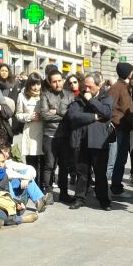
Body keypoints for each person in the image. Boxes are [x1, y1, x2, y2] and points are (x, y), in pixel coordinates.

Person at [66, 73, 113, 210]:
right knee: (82, 173)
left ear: (98, 86)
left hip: (99, 142)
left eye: (89, 86)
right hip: (81, 141)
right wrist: (93, 117)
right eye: (85, 86)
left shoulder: (106, 97)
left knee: (100, 174)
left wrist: (91, 101)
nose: (86, 89)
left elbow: (107, 112)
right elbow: (73, 116)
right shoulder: (79, 98)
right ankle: (80, 198)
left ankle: (103, 199)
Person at [39, 68, 75, 203]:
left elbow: (72, 115)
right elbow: (45, 115)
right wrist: (63, 115)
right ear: (49, 82)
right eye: (54, 82)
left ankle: (64, 193)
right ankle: (48, 193)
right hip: (50, 135)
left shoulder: (70, 95)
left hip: (65, 136)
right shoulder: (45, 95)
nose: (57, 84)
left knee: (64, 166)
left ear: (63, 80)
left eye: (59, 81)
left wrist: (57, 113)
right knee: (49, 165)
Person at [107, 62, 133, 198]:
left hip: (125, 128)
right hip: (119, 129)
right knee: (117, 159)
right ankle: (115, 187)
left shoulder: (125, 86)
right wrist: (115, 121)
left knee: (122, 159)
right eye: (131, 71)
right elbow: (108, 107)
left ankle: (116, 185)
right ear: (128, 73)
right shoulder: (117, 87)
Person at [15, 73, 44, 184]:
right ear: (29, 85)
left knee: (44, 162)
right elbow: (18, 114)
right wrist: (29, 117)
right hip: (30, 132)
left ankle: (43, 186)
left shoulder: (44, 95)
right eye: (33, 84)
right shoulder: (22, 96)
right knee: (32, 162)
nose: (36, 87)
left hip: (43, 131)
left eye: (38, 84)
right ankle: (33, 185)